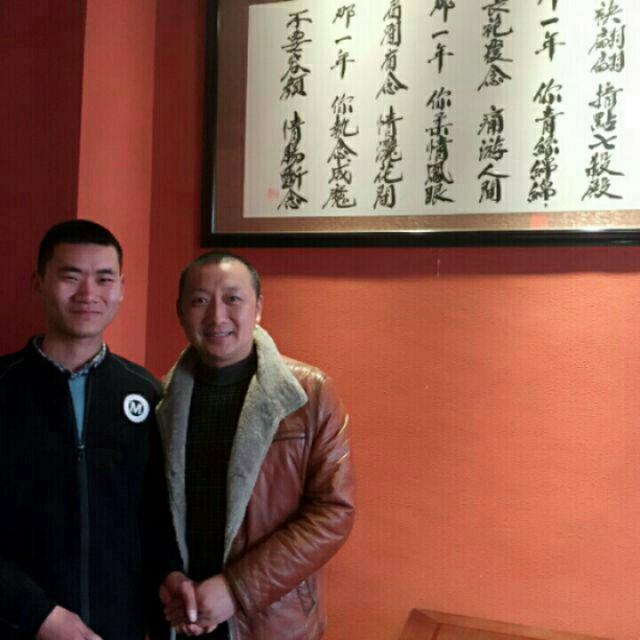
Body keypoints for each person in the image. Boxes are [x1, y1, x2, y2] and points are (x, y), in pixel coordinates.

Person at [157, 252, 355, 639]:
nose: (217, 317)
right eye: (199, 301)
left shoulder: (308, 394)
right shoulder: (161, 399)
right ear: (180, 312)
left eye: (233, 299)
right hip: (185, 614)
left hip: (271, 619)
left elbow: (334, 511)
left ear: (258, 308)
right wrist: (170, 577)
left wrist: (237, 589)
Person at [0, 220, 177, 640]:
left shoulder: (147, 393)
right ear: (39, 282)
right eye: (70, 276)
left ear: (121, 288)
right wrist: (37, 614)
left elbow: (157, 519)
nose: (88, 294)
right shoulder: (5, 386)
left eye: (104, 279)